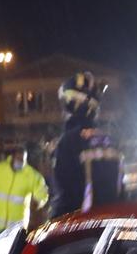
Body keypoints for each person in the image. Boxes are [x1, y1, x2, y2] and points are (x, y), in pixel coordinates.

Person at [50, 71, 122, 217]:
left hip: (82, 229)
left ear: (74, 104)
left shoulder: (68, 142)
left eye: (67, 102)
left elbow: (64, 195)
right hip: (111, 227)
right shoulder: (110, 141)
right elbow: (121, 191)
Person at [0, 144, 50, 235]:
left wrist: (38, 202)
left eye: (22, 160)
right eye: (18, 159)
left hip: (17, 228)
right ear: (12, 157)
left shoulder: (31, 175)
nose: (20, 162)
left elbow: (42, 192)